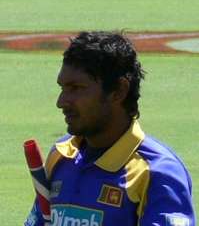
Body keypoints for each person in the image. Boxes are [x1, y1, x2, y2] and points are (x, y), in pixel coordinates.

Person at [24, 31, 195, 226]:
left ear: (119, 90)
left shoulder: (157, 172)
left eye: (76, 88)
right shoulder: (61, 155)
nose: (61, 102)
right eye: (63, 88)